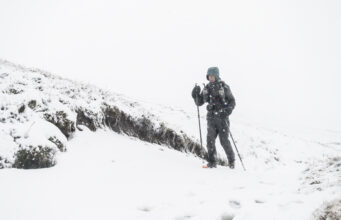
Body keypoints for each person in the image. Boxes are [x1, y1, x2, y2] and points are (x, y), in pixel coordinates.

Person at [191, 67, 236, 168]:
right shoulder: (207, 88)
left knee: (224, 141)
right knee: (210, 140)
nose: (210, 78)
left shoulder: (224, 87)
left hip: (222, 118)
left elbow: (232, 101)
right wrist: (195, 96)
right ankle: (212, 162)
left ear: (216, 76)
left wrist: (227, 111)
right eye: (209, 76)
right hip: (211, 118)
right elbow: (200, 102)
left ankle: (231, 161)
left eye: (212, 76)